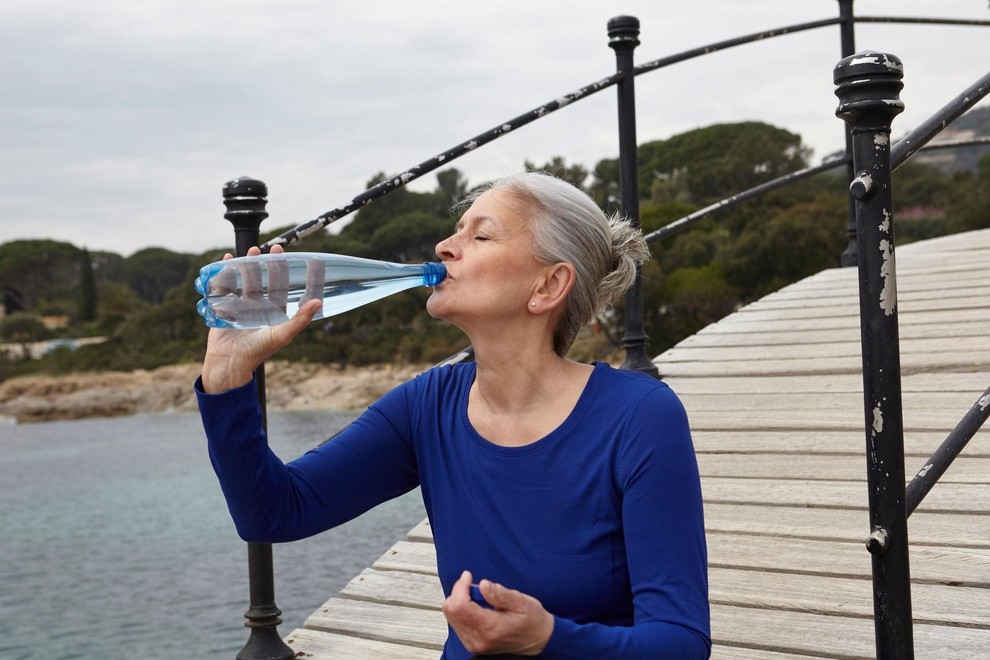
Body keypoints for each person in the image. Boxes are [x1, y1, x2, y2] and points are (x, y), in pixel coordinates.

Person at [196, 171, 711, 658]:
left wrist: (548, 638)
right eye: (455, 229)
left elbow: (680, 641)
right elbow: (275, 512)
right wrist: (226, 375)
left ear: (548, 286)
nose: (444, 247)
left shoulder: (639, 417)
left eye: (481, 236)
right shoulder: (428, 405)